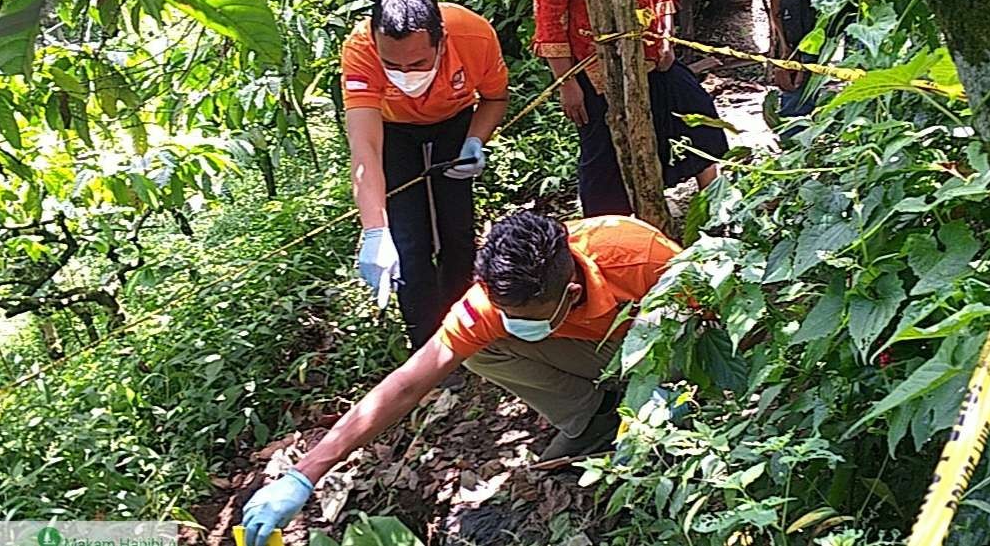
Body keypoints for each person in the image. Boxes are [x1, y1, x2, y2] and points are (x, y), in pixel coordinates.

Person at [239, 211, 682, 546]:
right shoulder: (493, 303)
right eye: (502, 312)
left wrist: (671, 389)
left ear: (568, 294)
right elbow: (409, 382)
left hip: (659, 348)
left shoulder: (638, 256)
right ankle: (595, 418)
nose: (506, 321)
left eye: (521, 318)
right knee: (479, 350)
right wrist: (306, 472)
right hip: (604, 356)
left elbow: (717, 319)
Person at [529, 0, 729, 218]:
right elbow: (550, 15)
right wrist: (566, 83)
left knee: (697, 116)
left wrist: (664, 35)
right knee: (605, 156)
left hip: (649, 53)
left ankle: (717, 216)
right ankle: (609, 241)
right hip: (594, 66)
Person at [343, 0, 509, 351]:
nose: (405, 74)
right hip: (393, 132)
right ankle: (428, 348)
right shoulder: (360, 49)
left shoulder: (474, 34)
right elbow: (364, 144)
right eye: (392, 66)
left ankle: (473, 331)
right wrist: (374, 231)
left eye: (417, 64)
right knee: (407, 244)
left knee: (457, 230)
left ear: (442, 41)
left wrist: (476, 140)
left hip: (454, 123)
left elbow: (495, 97)